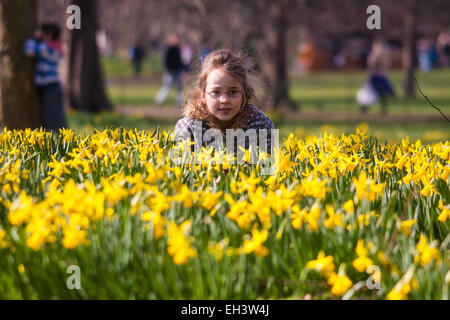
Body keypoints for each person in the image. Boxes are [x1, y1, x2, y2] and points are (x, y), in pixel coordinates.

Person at [174, 48, 274, 157]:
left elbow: (267, 170)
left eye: (233, 92)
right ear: (203, 95)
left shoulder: (260, 124)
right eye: (216, 92)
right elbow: (180, 171)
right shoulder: (190, 128)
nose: (225, 100)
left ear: (244, 94)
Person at [24, 23, 66, 131]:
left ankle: (59, 136)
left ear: (49, 35)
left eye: (42, 33)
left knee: (53, 114)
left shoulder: (46, 48)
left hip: (50, 85)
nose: (41, 36)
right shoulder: (56, 46)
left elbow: (29, 51)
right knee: (54, 112)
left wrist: (34, 38)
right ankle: (60, 135)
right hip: (52, 85)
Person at [155, 35, 186, 107]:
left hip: (177, 71)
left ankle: (179, 101)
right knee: (168, 86)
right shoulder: (169, 49)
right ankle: (159, 100)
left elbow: (179, 61)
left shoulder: (177, 49)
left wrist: (183, 68)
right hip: (170, 72)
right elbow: (166, 60)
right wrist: (167, 70)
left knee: (180, 86)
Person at [366, 38, 395, 115]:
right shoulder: (374, 56)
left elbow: (386, 66)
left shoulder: (383, 56)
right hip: (376, 78)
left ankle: (383, 111)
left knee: (383, 95)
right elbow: (371, 67)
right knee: (371, 94)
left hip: (381, 77)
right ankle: (364, 110)